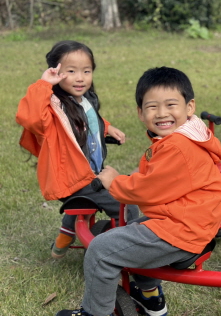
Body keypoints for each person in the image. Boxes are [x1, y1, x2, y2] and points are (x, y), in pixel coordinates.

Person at [55, 66, 221, 316]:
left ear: (189, 107)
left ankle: (94, 313)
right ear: (140, 112)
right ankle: (151, 299)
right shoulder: (185, 137)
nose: (162, 113)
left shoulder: (179, 146)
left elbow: (147, 190)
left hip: (183, 229)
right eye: (152, 107)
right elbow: (162, 183)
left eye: (170, 105)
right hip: (185, 221)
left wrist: (114, 181)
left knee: (101, 251)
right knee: (132, 235)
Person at [16, 40, 138, 259]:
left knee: (85, 203)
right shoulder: (53, 107)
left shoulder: (85, 99)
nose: (80, 77)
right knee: (124, 204)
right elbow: (31, 118)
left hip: (89, 173)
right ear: (56, 72)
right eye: (71, 71)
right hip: (73, 179)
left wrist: (107, 128)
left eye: (86, 71)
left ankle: (65, 234)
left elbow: (86, 122)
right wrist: (43, 84)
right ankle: (126, 250)